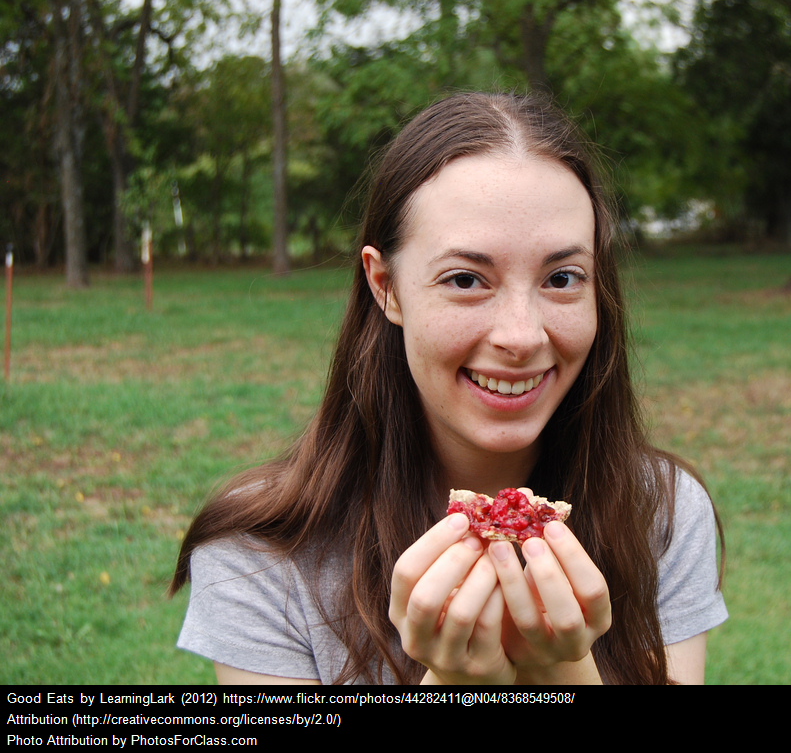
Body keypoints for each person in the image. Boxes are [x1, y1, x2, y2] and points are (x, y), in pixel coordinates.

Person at [171, 92, 726, 685]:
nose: (521, 336)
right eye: (466, 279)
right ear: (385, 286)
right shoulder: (260, 554)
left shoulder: (659, 511)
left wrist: (564, 673)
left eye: (562, 278)